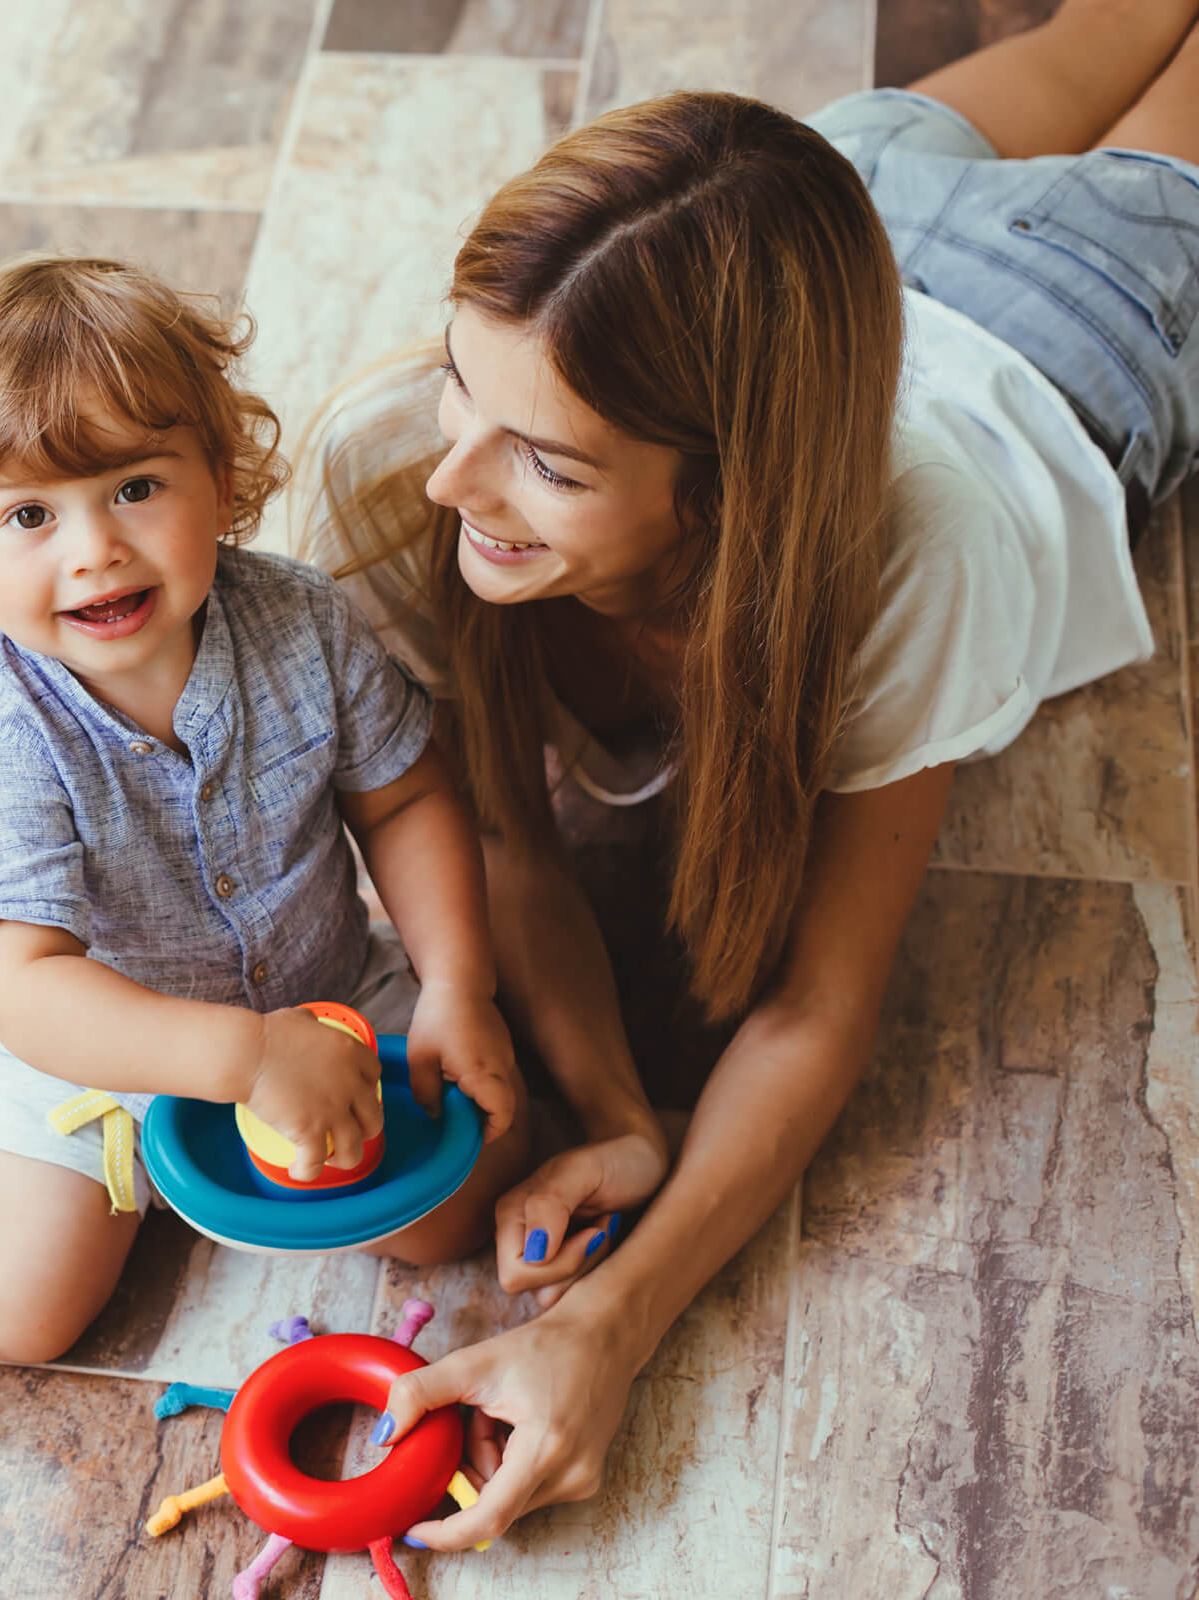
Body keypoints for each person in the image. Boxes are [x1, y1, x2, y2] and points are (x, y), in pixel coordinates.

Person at [295, 0, 1199, 1550]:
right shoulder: (397, 472)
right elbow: (504, 834)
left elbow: (819, 1007)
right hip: (832, 208)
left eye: (548, 465)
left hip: (1066, 316)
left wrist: (615, 1324)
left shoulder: (920, 562)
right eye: (465, 383)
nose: (455, 481)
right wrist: (619, 1109)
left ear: (723, 504)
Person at [0, 255, 531, 1363]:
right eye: (28, 513)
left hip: (322, 987)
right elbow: (33, 985)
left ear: (221, 474)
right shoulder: (0, 739)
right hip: (85, 1050)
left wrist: (457, 982)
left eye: (134, 487)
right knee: (4, 1315)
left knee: (463, 1199)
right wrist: (242, 1059)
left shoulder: (301, 622)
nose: (95, 548)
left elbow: (406, 798)